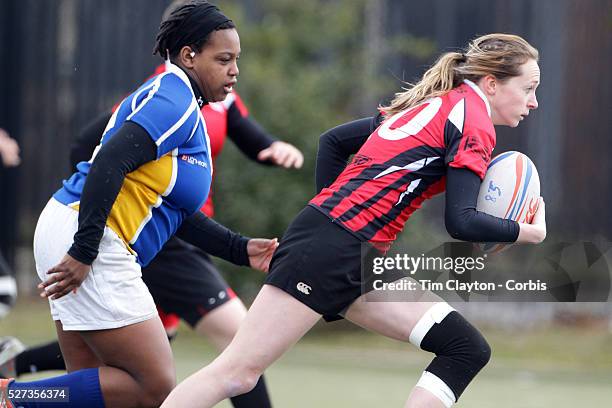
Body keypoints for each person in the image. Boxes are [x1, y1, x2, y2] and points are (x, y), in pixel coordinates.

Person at [161, 33, 546, 408]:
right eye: (528, 88)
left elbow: (333, 142)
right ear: (492, 83)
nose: (534, 103)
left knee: (465, 348)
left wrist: (330, 218)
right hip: (335, 246)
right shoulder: (473, 120)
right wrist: (528, 232)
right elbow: (462, 223)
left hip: (354, 253)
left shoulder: (443, 104)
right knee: (235, 373)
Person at [0, 5, 303, 408]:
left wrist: (238, 248)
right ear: (188, 55)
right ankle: (11, 396)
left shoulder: (184, 102)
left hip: (72, 227)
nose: (234, 71)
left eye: (236, 61)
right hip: (94, 238)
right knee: (153, 385)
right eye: (223, 59)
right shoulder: (173, 98)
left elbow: (171, 209)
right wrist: (85, 249)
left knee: (92, 393)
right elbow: (108, 159)